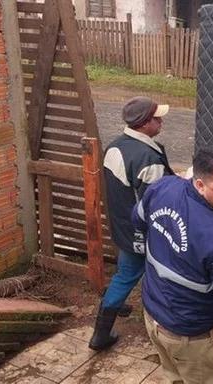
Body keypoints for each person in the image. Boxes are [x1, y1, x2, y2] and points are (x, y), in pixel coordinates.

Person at [133, 146, 213, 383]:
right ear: (199, 184)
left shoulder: (162, 187)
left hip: (154, 318)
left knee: (173, 376)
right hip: (192, 338)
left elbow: (137, 219)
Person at [88, 96, 175, 351]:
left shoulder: (115, 147)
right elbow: (157, 205)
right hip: (145, 232)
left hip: (122, 227)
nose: (161, 121)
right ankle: (166, 332)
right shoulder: (147, 159)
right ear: (144, 123)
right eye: (156, 118)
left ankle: (102, 331)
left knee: (124, 275)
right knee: (158, 279)